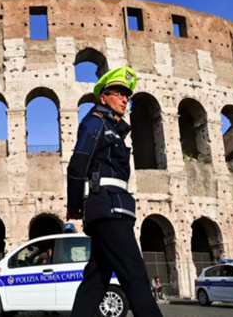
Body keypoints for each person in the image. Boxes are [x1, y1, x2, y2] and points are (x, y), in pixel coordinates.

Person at [66, 67, 164, 317]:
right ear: (103, 97)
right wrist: (74, 206)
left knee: (95, 281)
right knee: (135, 275)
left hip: (113, 208)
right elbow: (78, 163)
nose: (124, 99)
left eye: (126, 96)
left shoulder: (115, 129)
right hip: (108, 209)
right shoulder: (95, 122)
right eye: (118, 93)